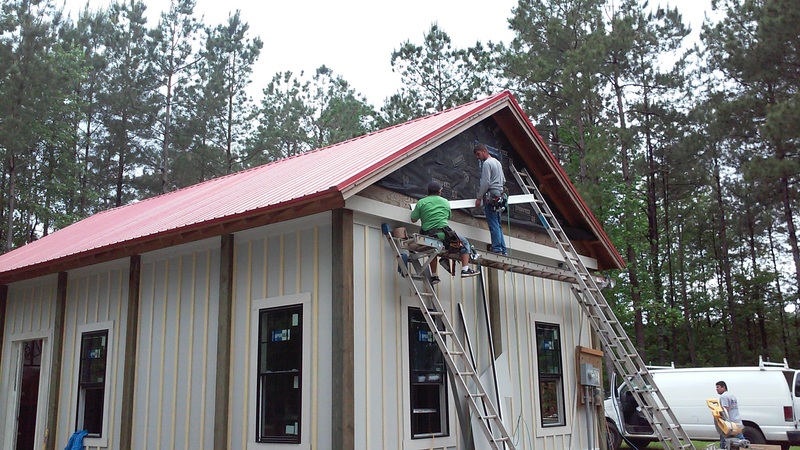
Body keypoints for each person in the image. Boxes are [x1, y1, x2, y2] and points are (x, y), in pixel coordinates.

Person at [411, 181, 479, 284]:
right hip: (443, 235)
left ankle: (434, 276)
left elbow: (413, 219)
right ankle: (465, 269)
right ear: (439, 191)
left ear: (428, 191)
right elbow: (448, 216)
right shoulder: (445, 202)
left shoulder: (421, 202)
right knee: (464, 242)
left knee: (432, 251)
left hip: (428, 235)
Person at [473, 143, 507, 255]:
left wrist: (479, 197)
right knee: (498, 223)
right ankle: (503, 249)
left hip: (491, 195)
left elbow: (485, 182)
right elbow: (504, 180)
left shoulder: (487, 163)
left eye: (478, 154)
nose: (478, 157)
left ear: (484, 151)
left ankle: (497, 248)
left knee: (493, 223)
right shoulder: (497, 162)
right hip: (499, 195)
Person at [716, 380, 744, 448]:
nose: (716, 389)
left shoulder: (723, 396)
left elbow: (725, 409)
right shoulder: (732, 395)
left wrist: (718, 414)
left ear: (723, 387)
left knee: (724, 442)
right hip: (737, 421)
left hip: (729, 424)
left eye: (718, 387)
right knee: (741, 440)